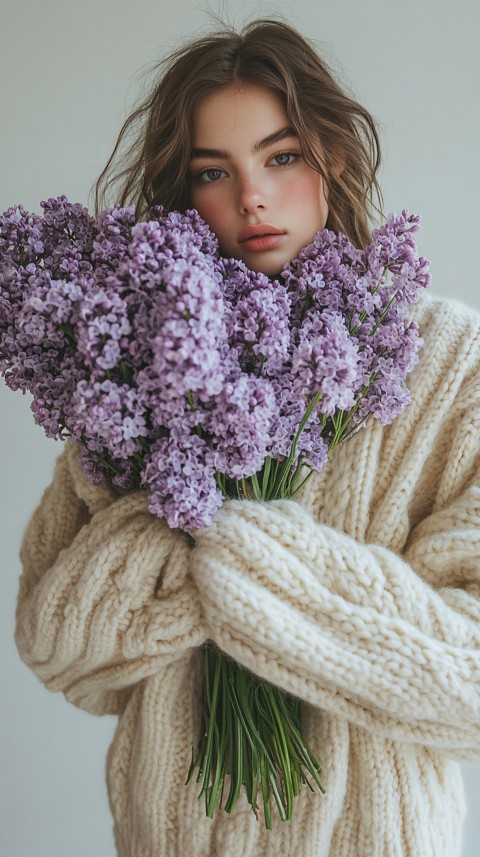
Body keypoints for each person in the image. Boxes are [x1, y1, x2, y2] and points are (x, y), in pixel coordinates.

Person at [14, 18, 480, 857]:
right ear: (182, 193)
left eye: (281, 155)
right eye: (211, 172)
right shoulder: (138, 367)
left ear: (331, 157)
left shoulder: (448, 365)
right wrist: (185, 486)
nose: (251, 197)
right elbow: (60, 647)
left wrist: (236, 551)